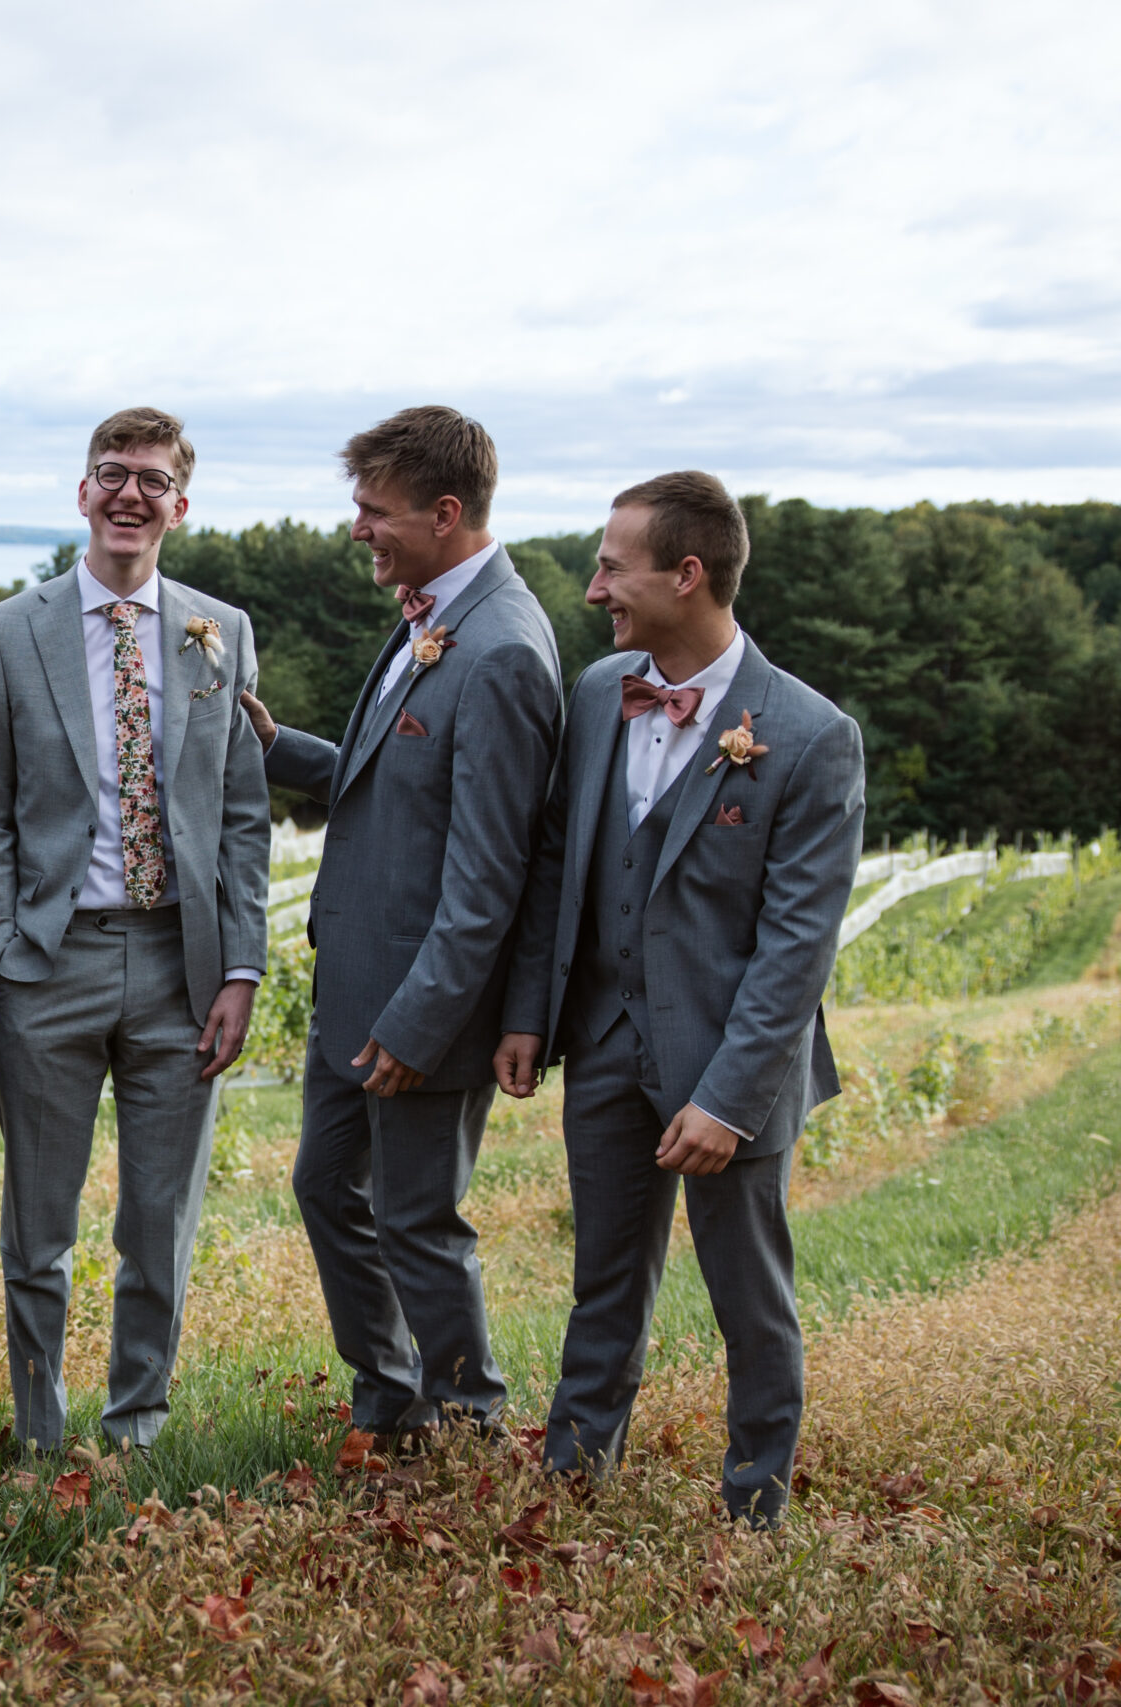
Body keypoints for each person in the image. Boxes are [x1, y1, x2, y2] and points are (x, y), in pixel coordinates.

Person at [495, 470, 863, 1527]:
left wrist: (730, 1099)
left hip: (729, 1062)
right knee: (604, 1277)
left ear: (686, 574)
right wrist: (528, 1012)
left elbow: (796, 948)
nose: (594, 589)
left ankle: (755, 1507)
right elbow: (559, 860)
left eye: (613, 568)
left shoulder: (809, 735)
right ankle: (571, 1483)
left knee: (749, 1297)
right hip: (604, 1037)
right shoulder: (598, 693)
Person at [239, 406, 561, 1448]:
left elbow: (490, 872)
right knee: (327, 1186)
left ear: (445, 512)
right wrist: (279, 747)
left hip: (421, 1008)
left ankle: (467, 1422)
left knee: (418, 1219)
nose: (357, 529)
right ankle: (390, 1398)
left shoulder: (502, 650)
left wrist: (421, 1022)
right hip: (358, 989)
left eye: (374, 511)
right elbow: (399, 786)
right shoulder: (435, 616)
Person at [0, 407, 271, 1453]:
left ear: (180, 504)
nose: (129, 494)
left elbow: (241, 814)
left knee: (158, 1224)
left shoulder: (220, 631)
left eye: (151, 479)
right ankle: (39, 1430)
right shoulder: (8, 631)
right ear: (83, 492)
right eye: (111, 474)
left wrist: (240, 968)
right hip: (51, 963)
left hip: (185, 970)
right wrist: (3, 945)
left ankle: (136, 1422)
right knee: (38, 1226)